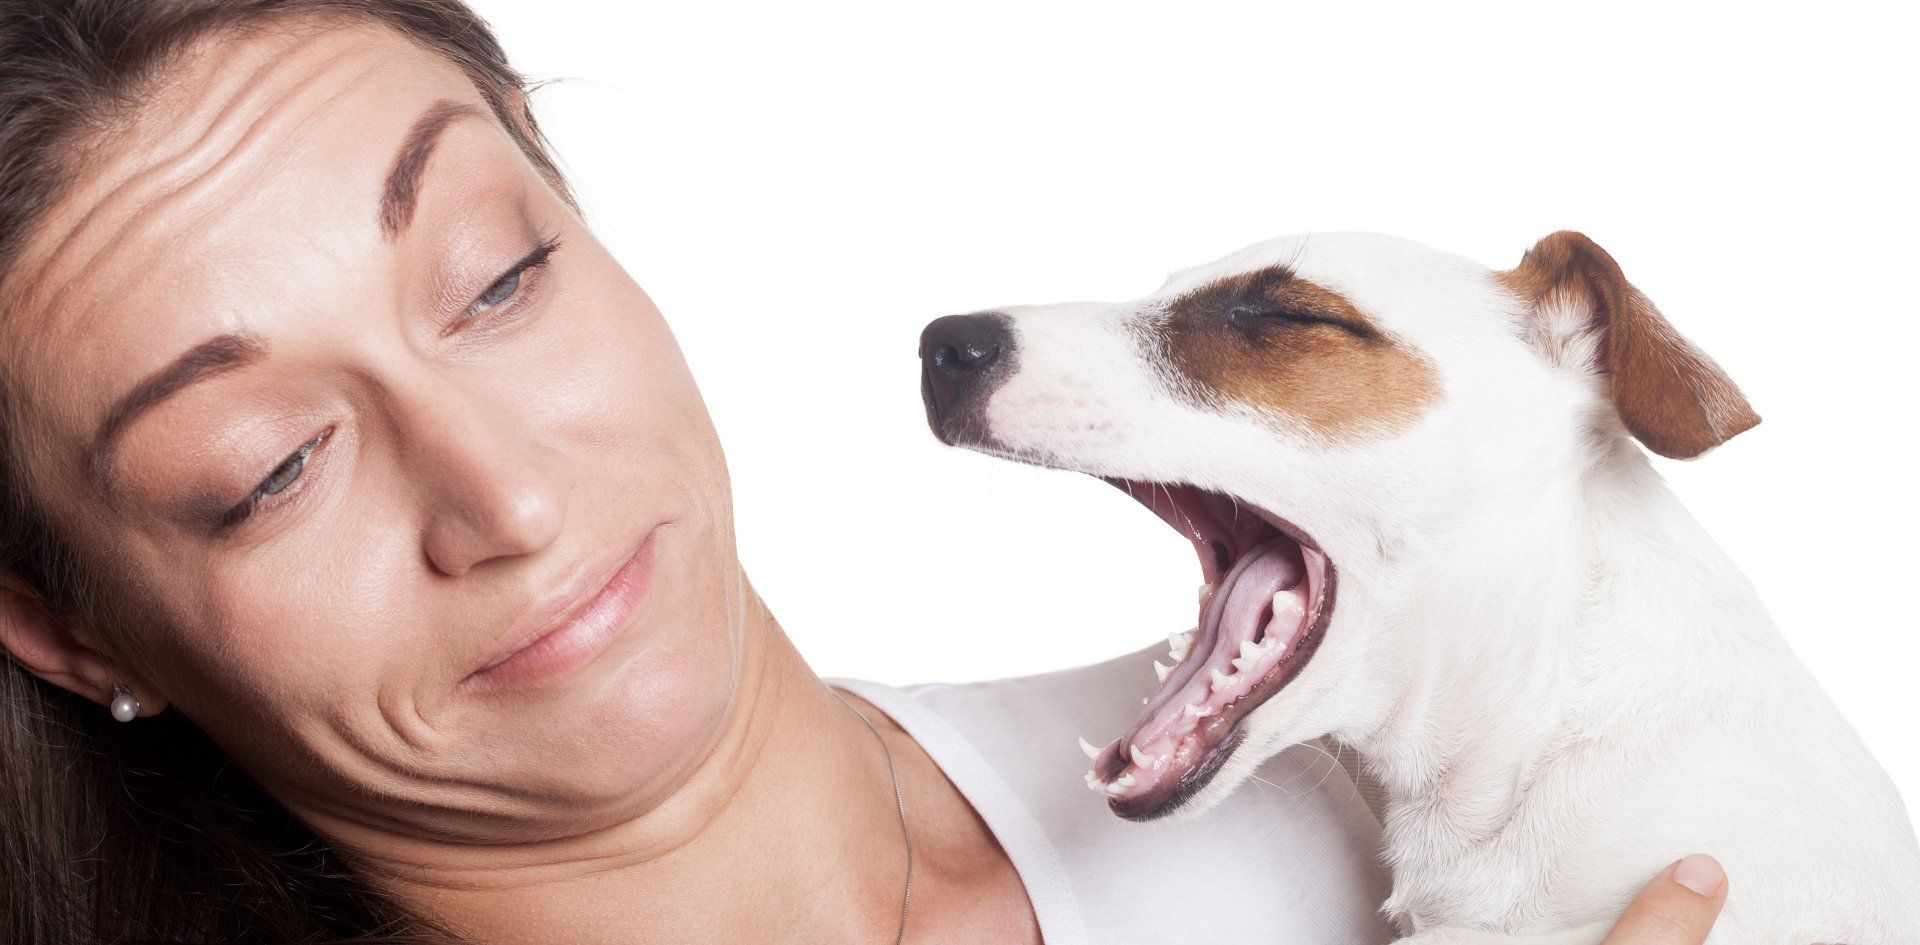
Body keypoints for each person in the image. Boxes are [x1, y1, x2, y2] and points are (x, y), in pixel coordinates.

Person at [0, 1, 1729, 942]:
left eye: (498, 277)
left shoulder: (1429, 774)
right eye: (271, 467)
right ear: (73, 631)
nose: (509, 503)